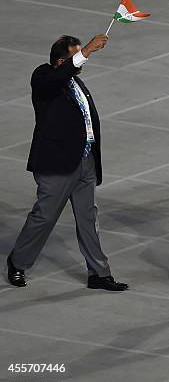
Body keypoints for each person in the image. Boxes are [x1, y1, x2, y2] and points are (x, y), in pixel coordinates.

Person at [6, 34, 128, 291]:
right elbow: (54, 80)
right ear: (61, 61)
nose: (81, 61)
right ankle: (17, 262)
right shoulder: (43, 78)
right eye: (76, 56)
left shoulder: (75, 82)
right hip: (57, 165)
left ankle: (99, 273)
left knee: (88, 218)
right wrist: (88, 50)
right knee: (44, 217)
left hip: (85, 162)